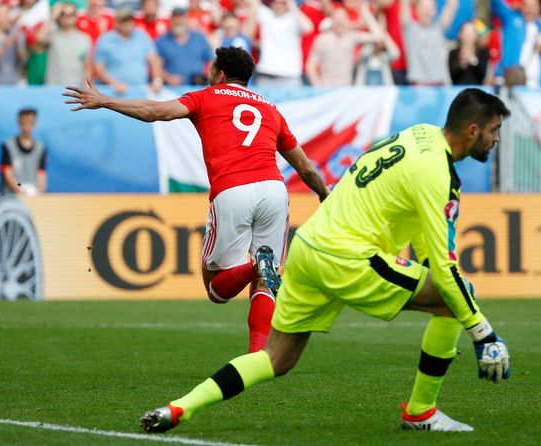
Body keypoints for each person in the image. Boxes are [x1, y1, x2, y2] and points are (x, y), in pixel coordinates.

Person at [132, 88, 513, 434]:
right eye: (495, 130)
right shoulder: (439, 173)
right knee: (456, 298)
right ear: (473, 130)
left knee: (275, 359)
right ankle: (420, 412)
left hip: (308, 248)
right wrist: (484, 333)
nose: (496, 139)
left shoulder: (418, 136)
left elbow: (419, 230)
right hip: (347, 255)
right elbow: (445, 270)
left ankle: (177, 408)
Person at [64, 46, 330, 353]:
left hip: (233, 190)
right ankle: (258, 355)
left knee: (217, 291)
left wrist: (105, 100)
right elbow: (306, 167)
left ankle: (257, 265)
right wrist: (324, 194)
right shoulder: (270, 109)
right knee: (266, 283)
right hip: (274, 190)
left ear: (220, 73)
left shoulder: (207, 96)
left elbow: (154, 112)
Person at [94, 7, 163, 95]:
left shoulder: (141, 35)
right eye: (125, 20)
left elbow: (154, 60)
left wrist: (157, 80)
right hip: (115, 92)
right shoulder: (105, 40)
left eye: (130, 20)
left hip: (140, 89)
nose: (129, 23)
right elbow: (99, 68)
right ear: (117, 23)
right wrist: (114, 83)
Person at [401, 0, 458, 85]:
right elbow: (405, 4)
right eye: (423, 8)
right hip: (417, 85)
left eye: (429, 8)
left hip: (439, 85)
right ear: (417, 9)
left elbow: (452, 5)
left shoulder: (439, 28)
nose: (426, 11)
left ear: (434, 10)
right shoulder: (410, 29)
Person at [155, 6, 213, 86]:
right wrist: (168, 78)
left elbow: (211, 60)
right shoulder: (162, 40)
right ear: (171, 21)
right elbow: (156, 65)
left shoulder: (199, 38)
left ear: (187, 20)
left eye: (181, 18)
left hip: (197, 87)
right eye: (175, 18)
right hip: (172, 89)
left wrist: (206, 76)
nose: (178, 21)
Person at [0, 108, 47, 196]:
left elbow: (41, 173)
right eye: (25, 122)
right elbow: (7, 173)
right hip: (12, 196)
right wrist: (20, 188)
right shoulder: (8, 145)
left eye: (31, 122)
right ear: (19, 122)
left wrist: (40, 193)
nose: (27, 125)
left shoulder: (41, 147)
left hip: (34, 195)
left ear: (35, 123)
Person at [45, 2, 92, 86]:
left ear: (76, 16)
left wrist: (85, 87)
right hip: (53, 88)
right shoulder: (51, 36)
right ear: (58, 17)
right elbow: (39, 38)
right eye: (63, 14)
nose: (68, 17)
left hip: (75, 90)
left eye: (71, 14)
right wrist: (52, 16)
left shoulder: (85, 39)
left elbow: (87, 67)